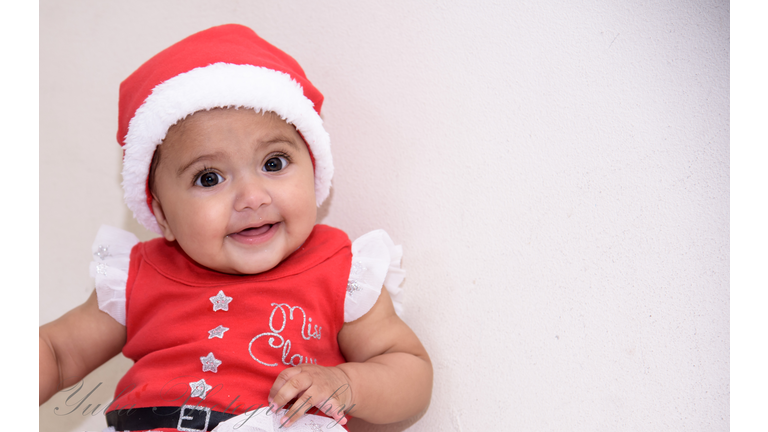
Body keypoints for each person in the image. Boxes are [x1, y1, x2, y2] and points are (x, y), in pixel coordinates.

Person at [39, 24, 432, 432]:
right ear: (162, 216)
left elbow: (409, 371)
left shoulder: (339, 271)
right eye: (209, 178)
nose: (252, 197)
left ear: (314, 170)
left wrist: (347, 383)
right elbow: (55, 351)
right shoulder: (138, 276)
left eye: (274, 163)